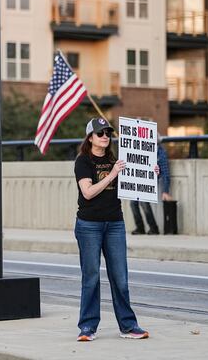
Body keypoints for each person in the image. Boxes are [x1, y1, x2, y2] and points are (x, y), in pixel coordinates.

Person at [73, 118, 158, 342]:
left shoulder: (115, 160)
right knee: (91, 277)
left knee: (120, 278)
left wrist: (150, 172)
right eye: (100, 133)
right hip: (89, 225)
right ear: (90, 137)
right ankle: (88, 327)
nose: (104, 136)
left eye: (107, 133)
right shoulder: (83, 161)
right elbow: (88, 193)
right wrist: (112, 174)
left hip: (115, 224)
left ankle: (128, 326)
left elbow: (134, 185)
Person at [130, 135, 171, 235]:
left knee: (144, 203)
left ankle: (154, 228)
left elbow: (165, 173)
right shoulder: (141, 151)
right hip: (139, 180)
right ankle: (140, 227)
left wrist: (165, 191)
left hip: (150, 182)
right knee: (133, 203)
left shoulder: (161, 153)